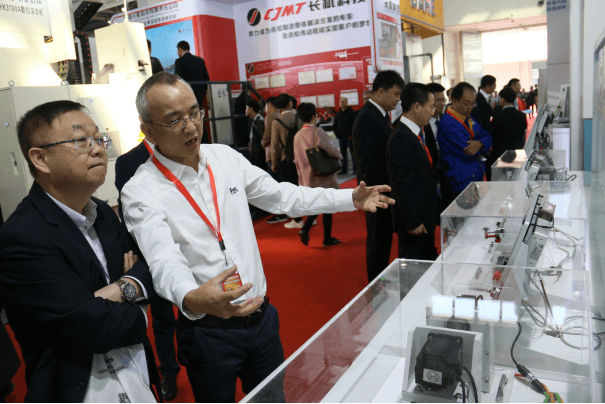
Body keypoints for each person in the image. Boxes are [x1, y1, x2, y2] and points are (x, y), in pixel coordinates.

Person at [120, 72, 395, 403]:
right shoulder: (141, 190)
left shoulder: (225, 158)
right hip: (208, 331)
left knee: (273, 398)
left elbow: (282, 196)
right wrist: (191, 298)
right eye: (174, 120)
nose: (191, 127)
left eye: (194, 112)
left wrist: (349, 198)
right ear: (149, 130)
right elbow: (163, 258)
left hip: (262, 319)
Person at [0, 100, 162, 402]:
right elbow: (93, 327)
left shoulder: (102, 211)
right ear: (40, 158)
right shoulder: (22, 236)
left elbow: (149, 269)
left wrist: (118, 289)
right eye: (80, 140)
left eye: (99, 139)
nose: (97, 149)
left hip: (135, 371)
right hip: (76, 386)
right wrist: (137, 307)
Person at [115, 137, 181, 401]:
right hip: (149, 254)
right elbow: (127, 212)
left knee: (192, 310)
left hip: (186, 246)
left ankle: (191, 358)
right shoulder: (128, 161)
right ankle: (167, 372)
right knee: (161, 316)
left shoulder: (182, 150)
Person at [352, 70, 404, 283]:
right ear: (381, 92)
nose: (398, 99)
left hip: (381, 190)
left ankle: (379, 279)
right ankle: (375, 285)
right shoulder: (368, 118)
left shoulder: (377, 115)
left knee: (382, 239)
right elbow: (368, 162)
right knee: (377, 240)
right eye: (395, 94)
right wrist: (374, 193)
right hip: (375, 192)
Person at [387, 83, 440, 260]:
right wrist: (413, 221)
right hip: (416, 219)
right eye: (430, 107)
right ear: (417, 106)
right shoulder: (401, 137)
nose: (432, 112)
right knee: (414, 264)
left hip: (425, 212)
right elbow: (401, 184)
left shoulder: (413, 133)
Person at [294, 103, 344, 247]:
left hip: (307, 175)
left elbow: (297, 159)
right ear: (313, 116)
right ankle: (318, 234)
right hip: (322, 174)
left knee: (321, 204)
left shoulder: (298, 135)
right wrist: (339, 154)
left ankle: (311, 231)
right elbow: (329, 149)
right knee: (327, 204)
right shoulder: (317, 131)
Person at [438, 82, 493, 206]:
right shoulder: (447, 123)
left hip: (475, 177)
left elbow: (488, 137)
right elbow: (468, 151)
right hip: (460, 184)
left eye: (473, 103)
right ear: (454, 101)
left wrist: (480, 143)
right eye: (466, 103)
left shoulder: (469, 119)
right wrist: (482, 145)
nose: (470, 107)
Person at [271, 93, 304, 229]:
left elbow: (274, 145)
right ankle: (310, 217)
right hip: (302, 157)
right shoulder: (299, 118)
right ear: (290, 103)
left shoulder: (276, 122)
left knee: (290, 190)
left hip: (286, 159)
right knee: (303, 187)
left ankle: (297, 219)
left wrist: (274, 163)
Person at [488, 86, 528, 166]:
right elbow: (522, 135)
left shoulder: (498, 116)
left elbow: (492, 135)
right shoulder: (522, 116)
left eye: (500, 98)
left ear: (503, 99)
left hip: (499, 154)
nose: (499, 100)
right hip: (515, 154)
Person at [175, 41, 210, 106]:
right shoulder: (200, 60)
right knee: (199, 109)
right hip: (200, 91)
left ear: (179, 49)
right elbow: (206, 77)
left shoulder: (179, 61)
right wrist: (203, 90)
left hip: (187, 92)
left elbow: (178, 79)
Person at [333, 97, 357, 175]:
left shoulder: (352, 113)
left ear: (346, 102)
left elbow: (355, 126)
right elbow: (334, 126)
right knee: (342, 155)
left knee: (353, 154)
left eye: (343, 101)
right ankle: (344, 169)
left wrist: (351, 135)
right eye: (340, 102)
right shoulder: (338, 114)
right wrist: (338, 135)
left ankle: (355, 169)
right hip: (341, 138)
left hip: (349, 138)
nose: (341, 103)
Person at [246, 99, 265, 170]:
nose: (245, 110)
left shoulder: (258, 121)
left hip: (259, 157)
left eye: (246, 108)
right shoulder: (256, 120)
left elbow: (261, 139)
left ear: (251, 108)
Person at [234, 83, 253, 149]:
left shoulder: (238, 98)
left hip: (239, 127)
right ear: (250, 89)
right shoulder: (247, 98)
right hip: (246, 126)